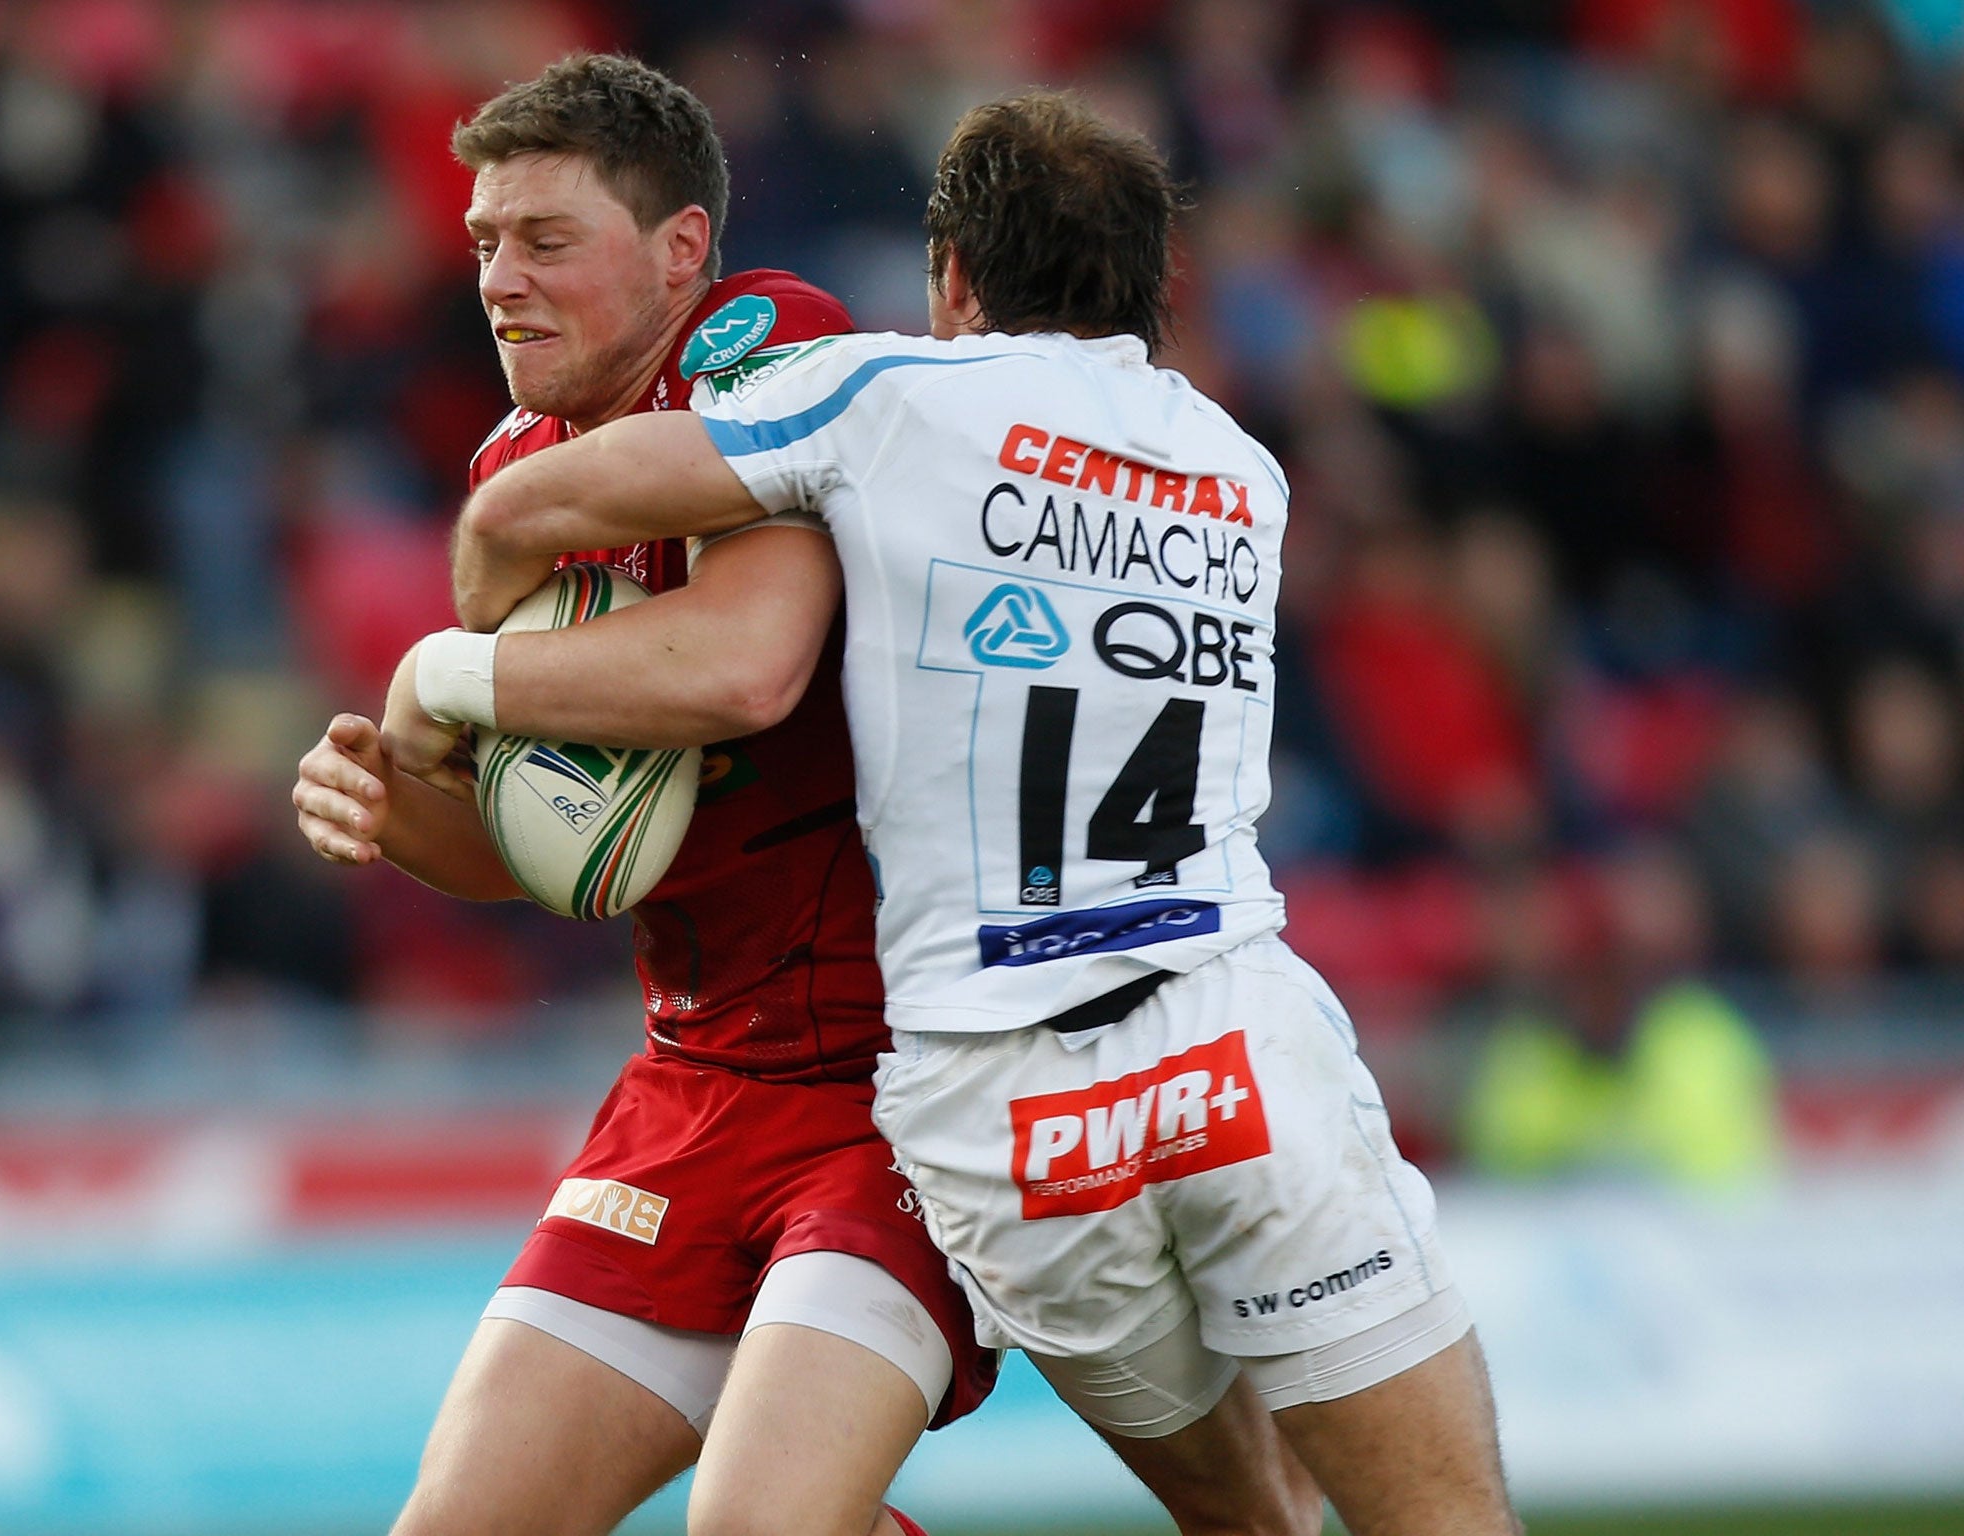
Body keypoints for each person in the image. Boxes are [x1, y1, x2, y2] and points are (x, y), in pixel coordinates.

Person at [409, 91, 1523, 1536]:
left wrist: (462, 656)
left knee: (1234, 1511)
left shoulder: (889, 402)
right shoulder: (1246, 473)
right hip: (1224, 1031)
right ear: (1153, 292)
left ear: (950, 281)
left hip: (1000, 1098)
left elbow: (559, 528)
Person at [290, 54, 996, 1536]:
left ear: (682, 250)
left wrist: (446, 677)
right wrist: (389, 800)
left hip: (900, 1087)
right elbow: (546, 844)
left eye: (547, 241)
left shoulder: (765, 349)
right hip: (691, 1088)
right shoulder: (514, 467)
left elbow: (744, 670)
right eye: (485, 243)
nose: (499, 281)